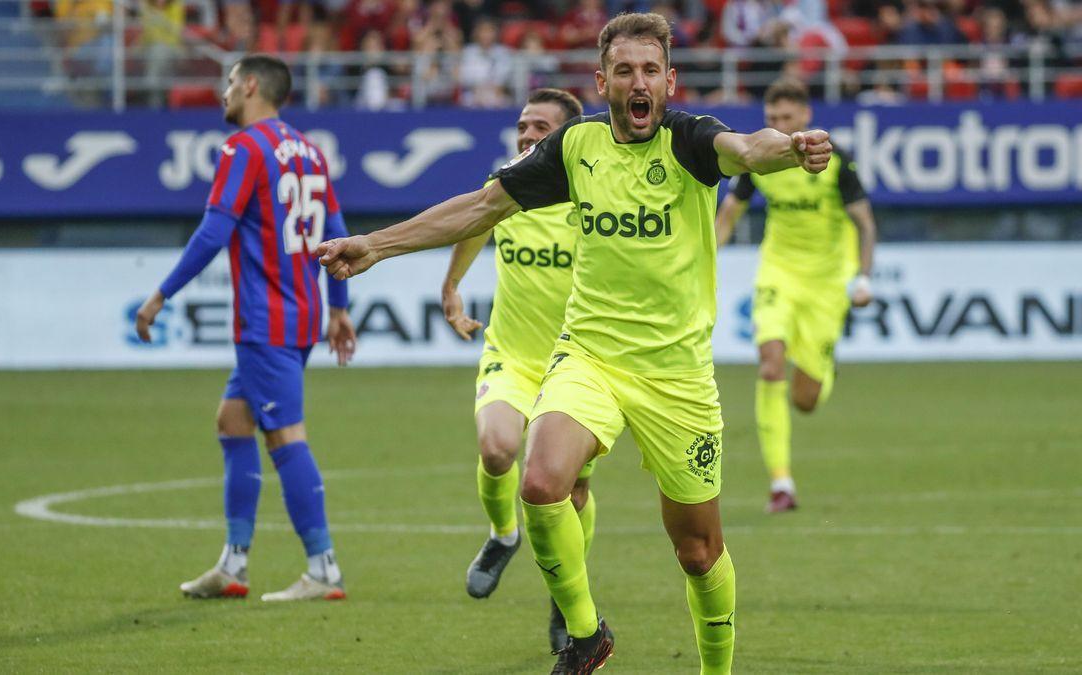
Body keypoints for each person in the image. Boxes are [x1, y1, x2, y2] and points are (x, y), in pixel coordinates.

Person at [317, 13, 833, 674]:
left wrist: (789, 149)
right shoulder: (576, 147)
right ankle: (587, 635)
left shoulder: (691, 141)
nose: (638, 82)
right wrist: (376, 245)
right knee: (539, 480)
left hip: (676, 376)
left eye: (650, 70)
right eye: (625, 71)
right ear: (603, 81)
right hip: (590, 355)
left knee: (699, 552)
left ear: (669, 79)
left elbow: (749, 148)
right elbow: (480, 207)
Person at [135, 54, 358, 603]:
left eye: (231, 82)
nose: (224, 92)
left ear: (252, 85)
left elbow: (214, 232)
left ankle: (323, 566)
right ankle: (233, 564)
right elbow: (337, 231)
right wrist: (338, 307)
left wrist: (161, 292)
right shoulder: (310, 150)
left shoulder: (243, 147)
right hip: (303, 313)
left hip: (266, 319)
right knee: (234, 421)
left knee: (285, 436)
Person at [440, 88, 594, 652]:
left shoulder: (591, 199)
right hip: (512, 355)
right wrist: (452, 286)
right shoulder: (506, 185)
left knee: (570, 492)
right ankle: (503, 535)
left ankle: (565, 598)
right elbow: (474, 225)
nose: (527, 136)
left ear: (566, 140)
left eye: (540, 129)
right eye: (523, 126)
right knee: (498, 448)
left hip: (577, 365)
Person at [714, 78, 876, 514]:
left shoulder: (835, 160)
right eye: (772, 120)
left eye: (787, 118)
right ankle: (781, 485)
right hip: (778, 275)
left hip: (825, 284)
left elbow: (865, 224)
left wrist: (863, 279)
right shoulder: (761, 162)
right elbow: (729, 213)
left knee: (804, 399)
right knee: (770, 365)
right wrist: (702, 261)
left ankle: (824, 372)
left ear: (806, 117)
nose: (779, 126)